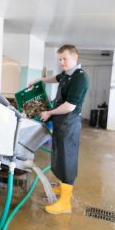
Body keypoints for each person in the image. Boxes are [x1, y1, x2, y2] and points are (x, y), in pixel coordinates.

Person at [30, 44, 89, 214]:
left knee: (67, 159)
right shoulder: (67, 74)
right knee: (59, 156)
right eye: (60, 59)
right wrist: (39, 80)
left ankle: (65, 203)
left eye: (65, 59)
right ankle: (63, 188)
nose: (62, 62)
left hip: (69, 123)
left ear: (75, 58)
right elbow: (55, 78)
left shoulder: (80, 78)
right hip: (61, 122)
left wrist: (48, 112)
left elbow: (69, 106)